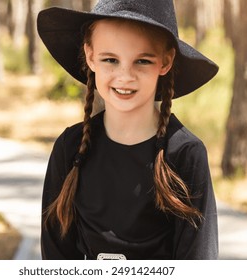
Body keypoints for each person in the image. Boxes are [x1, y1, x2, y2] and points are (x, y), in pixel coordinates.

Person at [37, 0, 219, 260]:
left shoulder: (185, 155)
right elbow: (55, 262)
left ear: (166, 61)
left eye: (142, 61)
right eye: (110, 59)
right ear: (90, 56)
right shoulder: (71, 148)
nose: (125, 76)